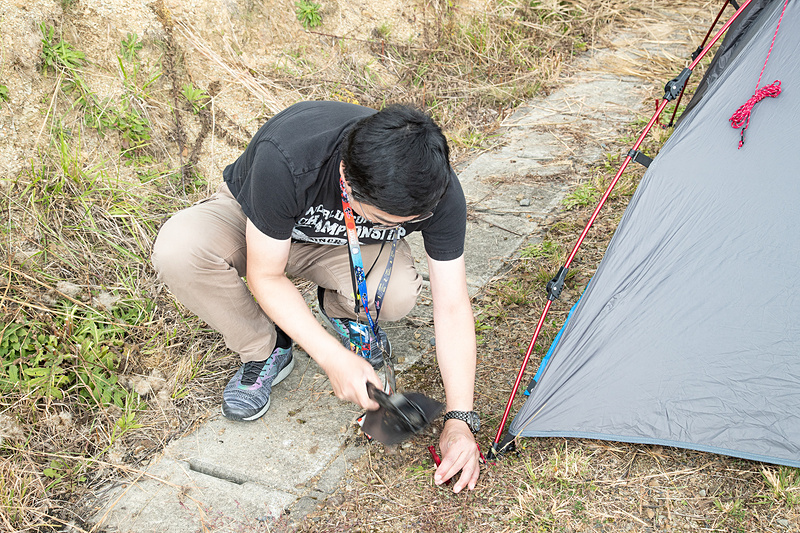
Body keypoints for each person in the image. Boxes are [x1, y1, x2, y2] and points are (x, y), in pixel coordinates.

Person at [152, 101, 480, 492]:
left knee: (397, 293)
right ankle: (267, 346)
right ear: (346, 177)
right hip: (256, 224)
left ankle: (342, 309)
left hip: (341, 246)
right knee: (180, 250)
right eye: (391, 222)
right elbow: (266, 275)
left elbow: (452, 305)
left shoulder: (436, 190)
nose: (407, 228)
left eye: (410, 223)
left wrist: (460, 419)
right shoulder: (289, 158)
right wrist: (331, 357)